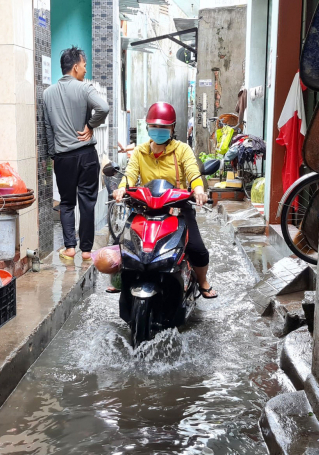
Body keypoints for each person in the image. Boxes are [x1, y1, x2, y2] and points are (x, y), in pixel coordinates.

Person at [113, 102, 217, 299]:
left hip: (177, 209)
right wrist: (120, 190)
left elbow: (193, 173)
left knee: (197, 249)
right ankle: (122, 281)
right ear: (148, 128)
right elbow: (130, 175)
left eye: (164, 127)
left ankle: (202, 281)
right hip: (145, 209)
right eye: (155, 126)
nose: (159, 130)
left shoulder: (182, 150)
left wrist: (199, 190)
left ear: (172, 128)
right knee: (122, 245)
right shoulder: (140, 152)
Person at [42, 46, 109, 261]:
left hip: (63, 158)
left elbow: (47, 127)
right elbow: (104, 108)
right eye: (84, 65)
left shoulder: (47, 93)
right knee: (87, 202)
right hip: (87, 155)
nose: (85, 70)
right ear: (75, 66)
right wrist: (90, 125)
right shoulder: (85, 88)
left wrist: (54, 154)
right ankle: (87, 250)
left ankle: (70, 247)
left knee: (66, 203)